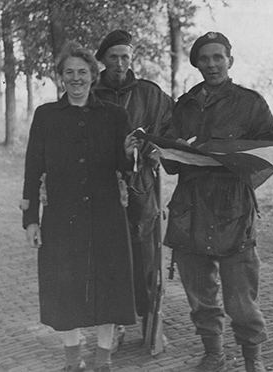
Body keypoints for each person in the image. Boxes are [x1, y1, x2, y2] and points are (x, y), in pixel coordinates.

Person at [162, 31, 273, 372]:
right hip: (190, 211)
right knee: (200, 299)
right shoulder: (182, 105)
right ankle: (213, 354)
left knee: (241, 301)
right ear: (196, 63)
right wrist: (172, 150)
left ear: (230, 59)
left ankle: (252, 360)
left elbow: (271, 151)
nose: (212, 64)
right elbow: (170, 163)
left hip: (233, 211)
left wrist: (243, 177)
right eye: (204, 58)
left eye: (218, 57)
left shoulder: (251, 103)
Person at [21, 42, 139, 372]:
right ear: (60, 78)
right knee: (64, 287)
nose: (76, 79)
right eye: (69, 73)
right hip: (61, 216)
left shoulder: (114, 115)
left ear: (93, 75)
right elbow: (33, 169)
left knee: (108, 286)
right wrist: (31, 220)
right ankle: (73, 361)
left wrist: (130, 153)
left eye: (82, 72)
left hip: (106, 215)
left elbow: (124, 166)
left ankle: (103, 360)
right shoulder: (46, 116)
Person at [92, 30, 173, 347]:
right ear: (103, 59)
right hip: (100, 189)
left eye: (125, 56)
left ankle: (152, 324)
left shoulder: (150, 94)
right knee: (107, 258)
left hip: (142, 189)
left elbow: (174, 126)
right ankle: (114, 325)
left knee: (146, 258)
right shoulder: (89, 90)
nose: (120, 63)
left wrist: (157, 150)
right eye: (113, 57)